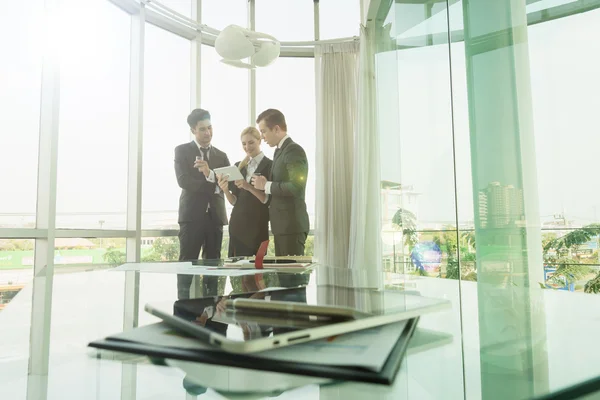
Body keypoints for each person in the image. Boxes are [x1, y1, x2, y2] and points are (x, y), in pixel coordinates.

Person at [174, 108, 230, 299]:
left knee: (213, 270)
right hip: (191, 217)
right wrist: (212, 182)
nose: (208, 133)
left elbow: (227, 184)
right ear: (193, 130)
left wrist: (211, 177)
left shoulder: (221, 156)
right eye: (203, 129)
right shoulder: (182, 151)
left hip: (215, 218)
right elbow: (183, 181)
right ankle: (183, 315)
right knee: (186, 267)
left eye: (210, 128)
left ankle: (213, 316)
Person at [251, 109, 310, 257]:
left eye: (263, 131)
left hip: (291, 226)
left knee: (291, 278)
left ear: (276, 129)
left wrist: (266, 186)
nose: (262, 137)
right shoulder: (279, 151)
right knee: (284, 277)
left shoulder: (293, 150)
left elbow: (296, 187)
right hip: (283, 227)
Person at [217, 127, 273, 257]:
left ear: (259, 141)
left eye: (251, 142)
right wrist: (225, 190)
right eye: (244, 143)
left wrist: (248, 187)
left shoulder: (270, 165)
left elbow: (266, 200)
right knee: (236, 271)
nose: (247, 147)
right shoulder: (238, 166)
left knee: (257, 271)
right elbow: (234, 201)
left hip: (258, 226)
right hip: (237, 225)